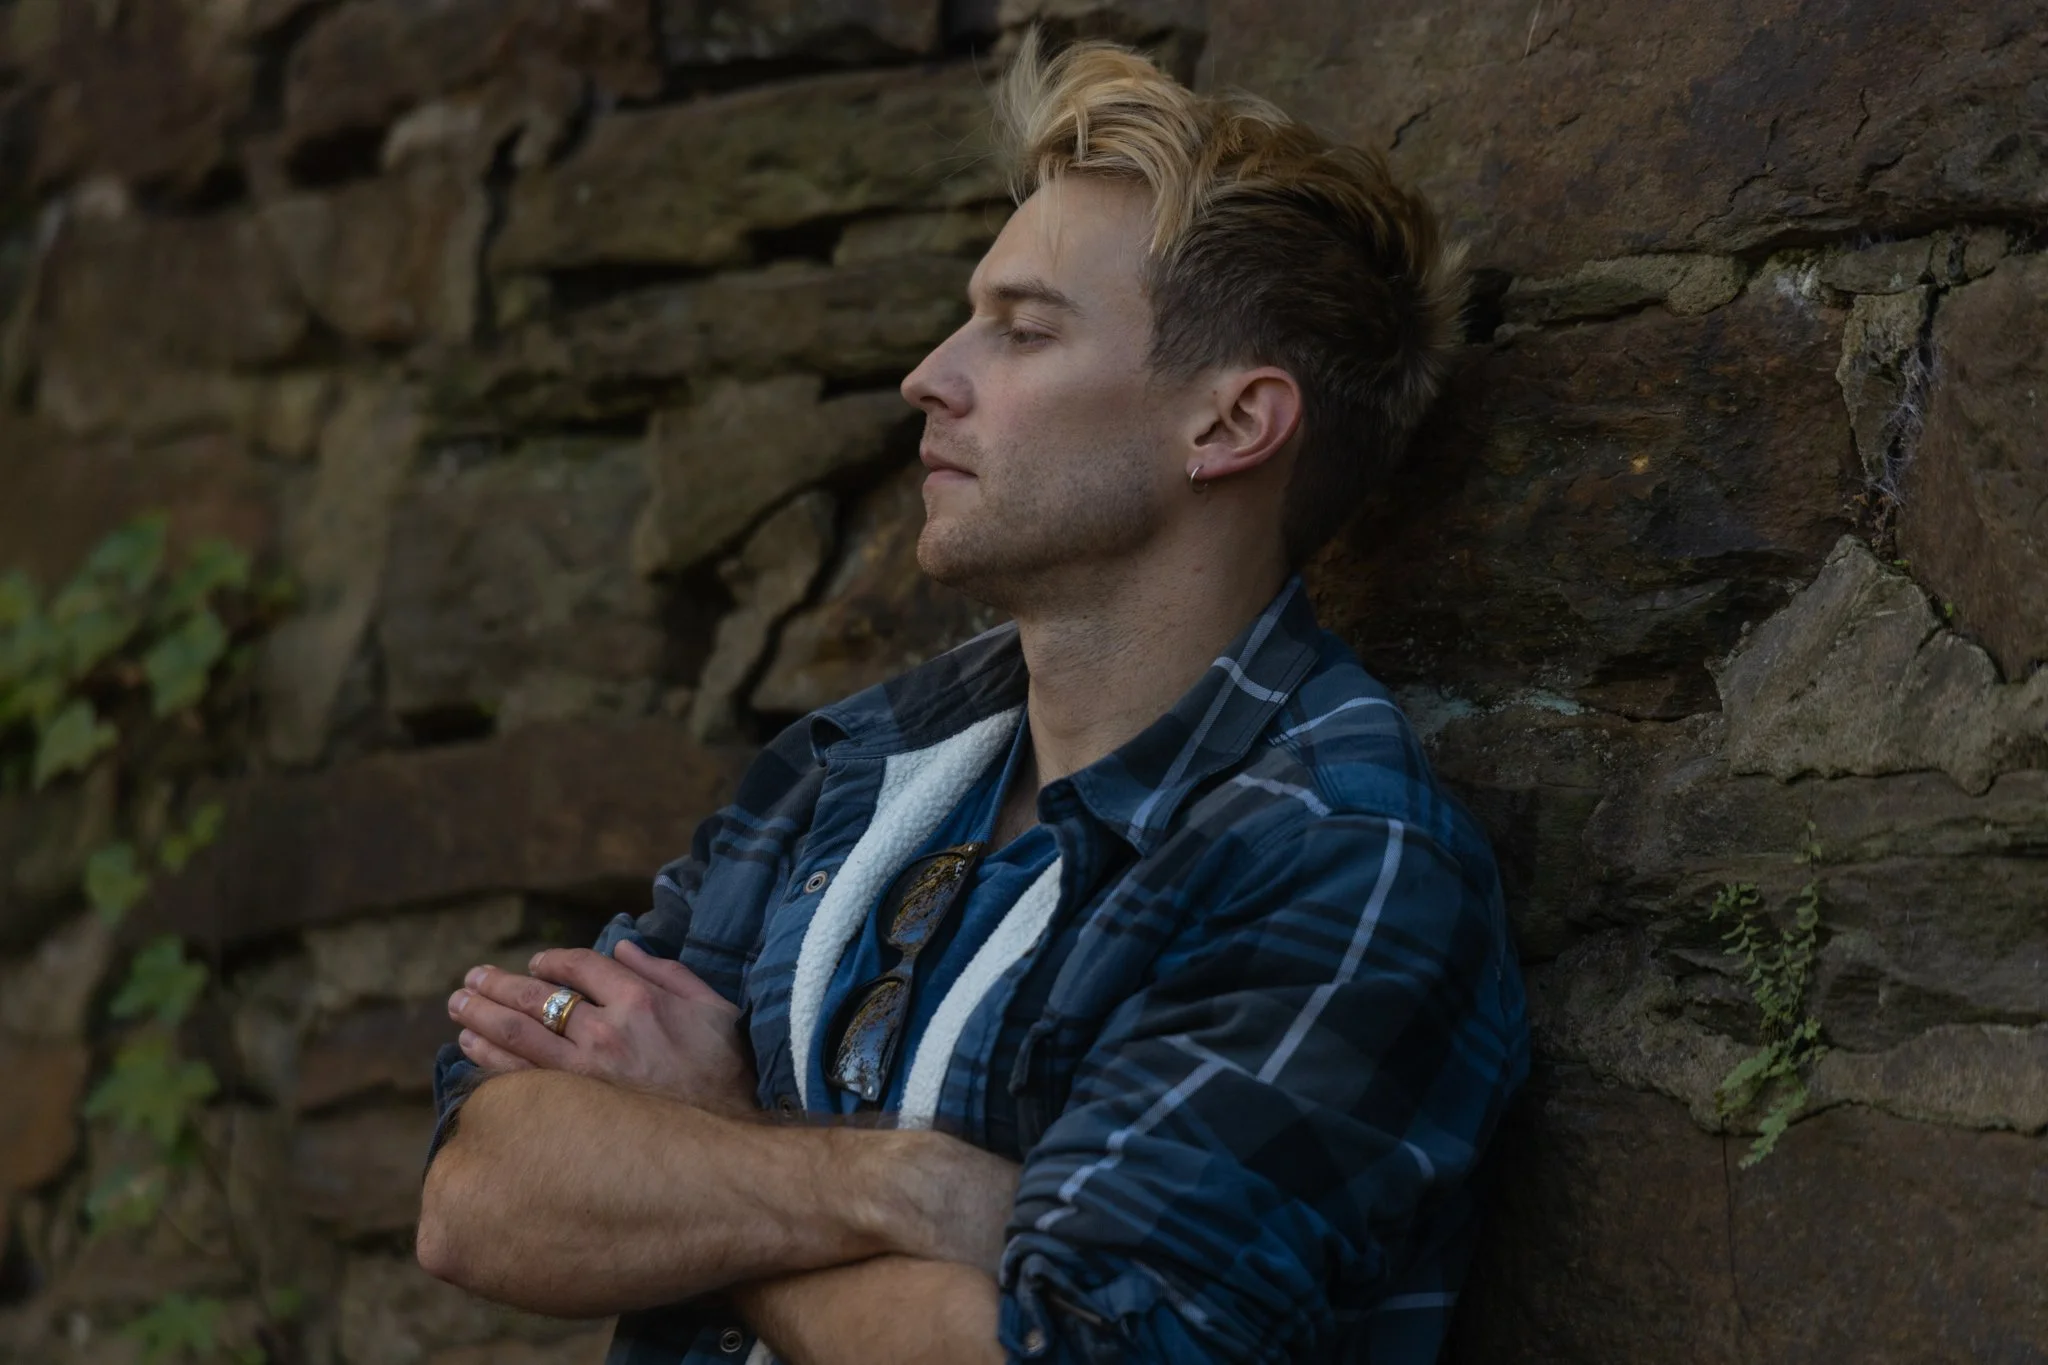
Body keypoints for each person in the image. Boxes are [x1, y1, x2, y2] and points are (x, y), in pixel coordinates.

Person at [417, 30, 1529, 1365]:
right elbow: (478, 1196)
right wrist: (907, 1191)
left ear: (1231, 426)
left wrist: (705, 1152)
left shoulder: (1333, 856)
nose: (930, 377)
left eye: (1023, 330)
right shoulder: (857, 765)